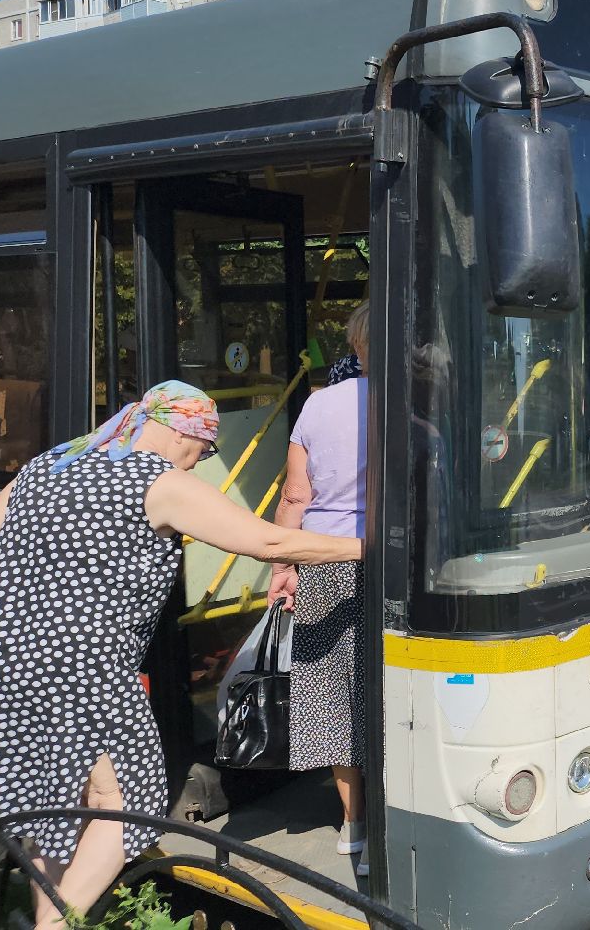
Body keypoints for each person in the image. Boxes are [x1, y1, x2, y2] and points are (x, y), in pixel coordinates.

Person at [0, 381, 363, 930]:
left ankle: (47, 914)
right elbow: (271, 543)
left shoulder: (50, 463)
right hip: (85, 664)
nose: (199, 463)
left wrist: (40, 608)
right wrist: (369, 547)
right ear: (184, 433)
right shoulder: (158, 481)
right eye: (205, 450)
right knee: (132, 799)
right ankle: (54, 927)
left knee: (58, 804)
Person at [268, 302, 371, 875]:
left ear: (355, 344)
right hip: (392, 561)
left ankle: (353, 824)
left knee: (332, 693)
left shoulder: (318, 404)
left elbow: (295, 495)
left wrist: (284, 566)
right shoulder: (419, 402)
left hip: (325, 559)